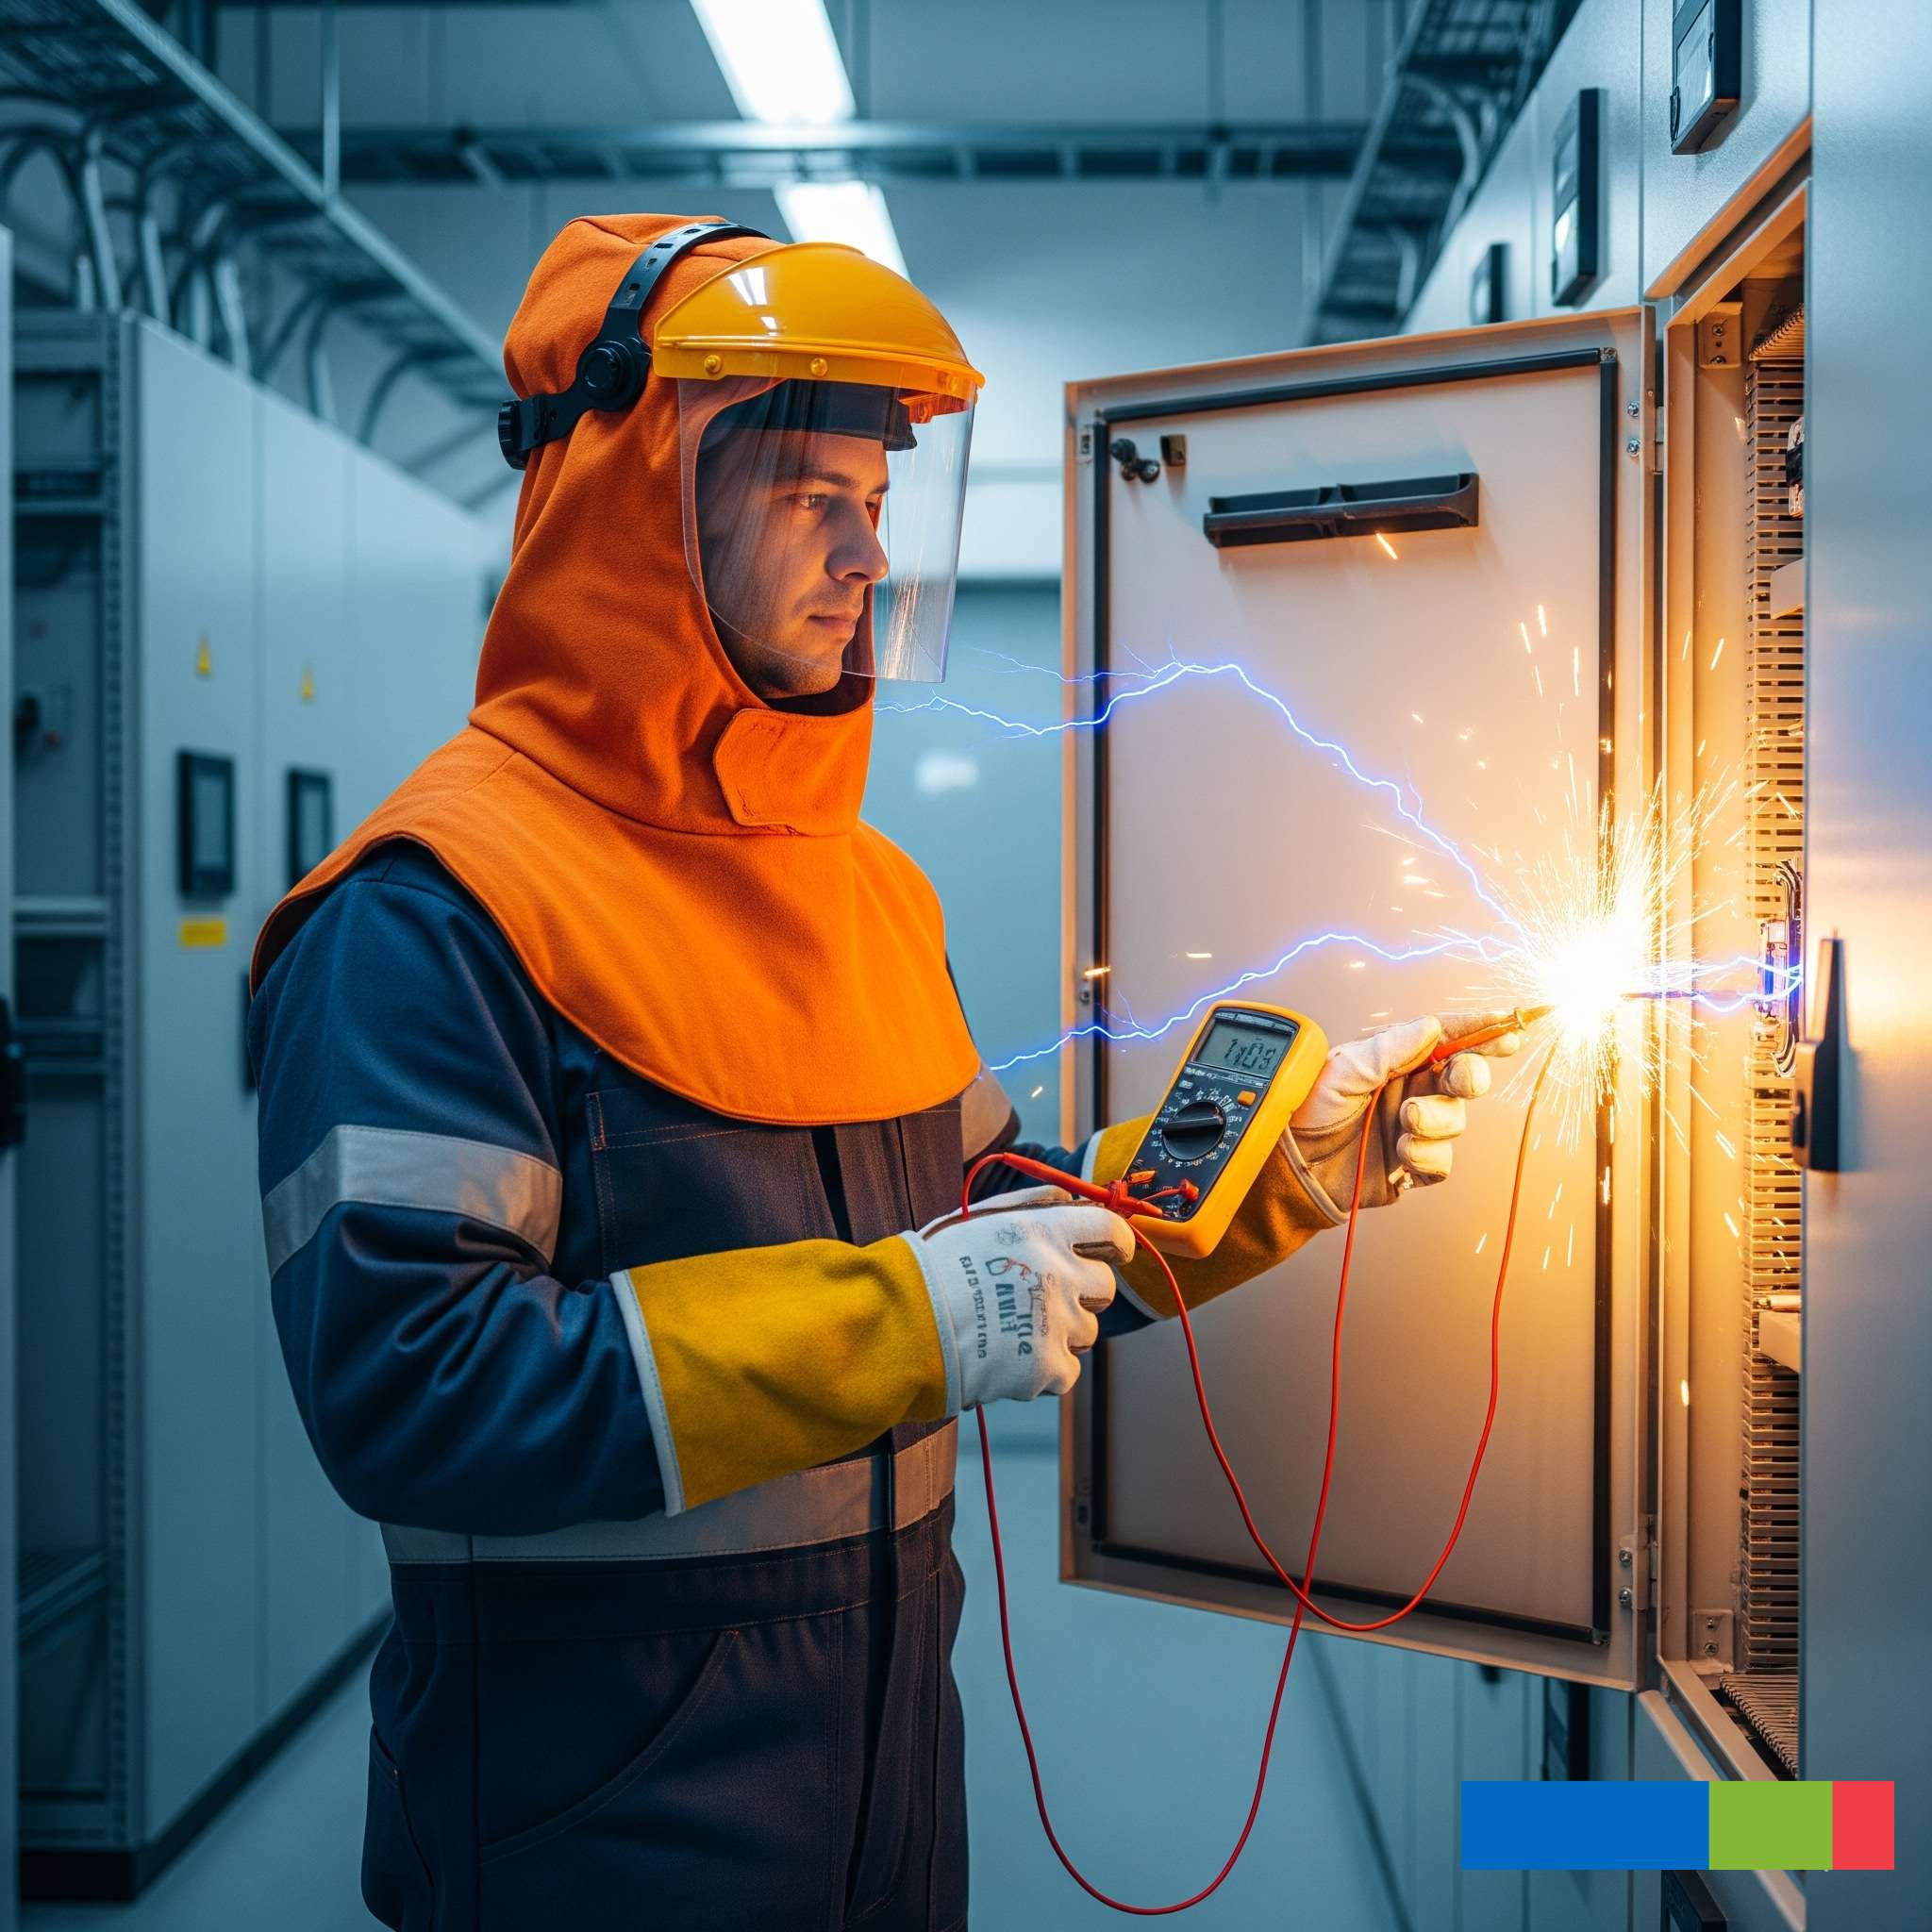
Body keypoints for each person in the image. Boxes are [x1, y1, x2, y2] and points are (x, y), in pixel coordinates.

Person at [248, 211, 1519, 1931]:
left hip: (888, 1805)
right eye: (806, 498)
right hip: (587, 1839)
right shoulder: (435, 909)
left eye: (877, 504)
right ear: (642, 504)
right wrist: (907, 1325)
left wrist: (1281, 1180)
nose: (863, 556)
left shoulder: (862, 887)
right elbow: (414, 1387)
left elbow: (998, 1229)